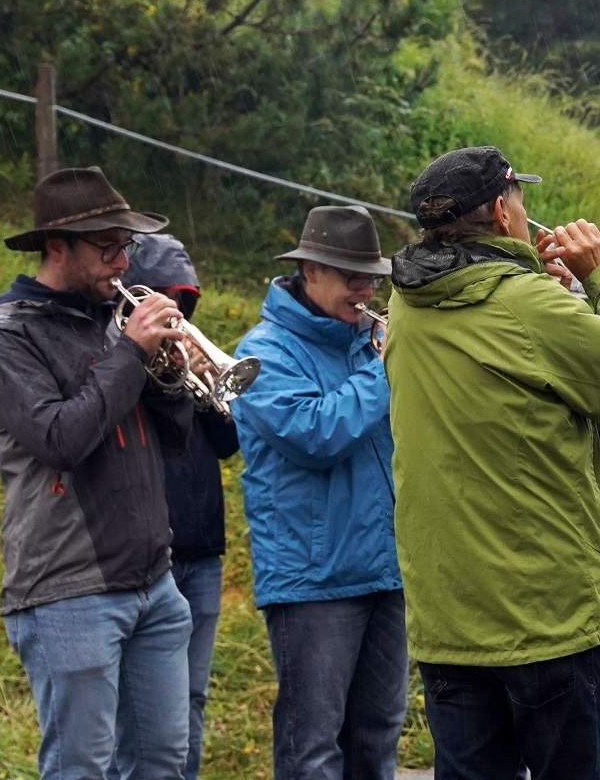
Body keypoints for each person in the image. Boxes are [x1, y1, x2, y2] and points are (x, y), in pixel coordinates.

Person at [386, 145, 600, 779]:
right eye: (521, 198)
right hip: (541, 616)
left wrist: (556, 299)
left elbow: (502, 357)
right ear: (501, 208)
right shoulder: (530, 306)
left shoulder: (406, 304)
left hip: (448, 617)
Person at [0, 166, 194, 778]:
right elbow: (60, 437)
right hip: (67, 587)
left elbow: (176, 440)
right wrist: (130, 354)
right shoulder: (8, 334)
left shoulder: (111, 317)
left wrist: (167, 374)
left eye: (126, 246)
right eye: (107, 246)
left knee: (162, 761)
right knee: (81, 767)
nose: (122, 263)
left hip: (153, 583)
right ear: (57, 247)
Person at [231, 205, 407, 780]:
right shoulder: (263, 353)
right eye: (351, 278)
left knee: (378, 740)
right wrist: (383, 369)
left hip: (385, 570)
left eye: (371, 280)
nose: (364, 291)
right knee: (313, 750)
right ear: (309, 272)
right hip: (313, 583)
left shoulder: (364, 340)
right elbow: (316, 434)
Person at [120, 233, 241, 780]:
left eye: (184, 306)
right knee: (138, 711)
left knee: (190, 699)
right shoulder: (118, 358)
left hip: (202, 550)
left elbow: (228, 442)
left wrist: (201, 380)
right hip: (144, 555)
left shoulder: (186, 361)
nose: (179, 317)